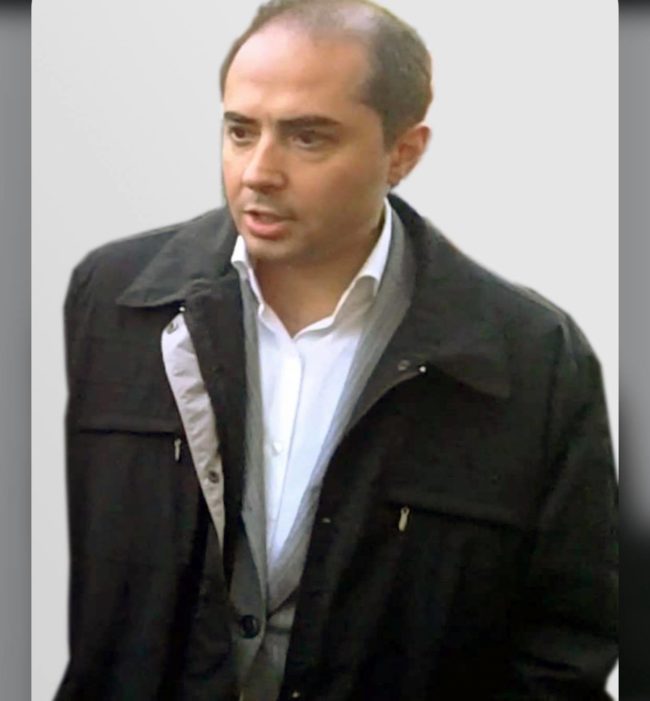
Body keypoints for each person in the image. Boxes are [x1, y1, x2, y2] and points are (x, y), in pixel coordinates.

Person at [55, 0, 618, 699]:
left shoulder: (530, 358)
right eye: (240, 130)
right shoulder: (117, 302)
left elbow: (567, 641)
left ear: (403, 153)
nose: (258, 171)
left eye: (307, 138)